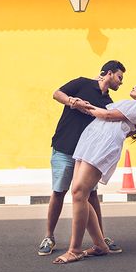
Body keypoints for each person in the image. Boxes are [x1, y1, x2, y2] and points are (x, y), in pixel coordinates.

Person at [53, 79, 136, 264]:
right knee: (79, 194)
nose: (132, 87)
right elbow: (105, 115)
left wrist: (81, 106)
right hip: (91, 143)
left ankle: (75, 249)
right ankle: (100, 245)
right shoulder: (129, 104)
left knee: (79, 192)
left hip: (102, 147)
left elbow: (108, 115)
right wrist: (82, 105)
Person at [37, 60, 125, 257]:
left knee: (91, 196)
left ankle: (100, 239)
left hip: (87, 156)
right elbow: (57, 94)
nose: (121, 83)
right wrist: (73, 102)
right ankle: (49, 236)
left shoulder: (108, 102)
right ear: (109, 73)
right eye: (119, 77)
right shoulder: (82, 83)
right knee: (59, 192)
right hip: (64, 147)